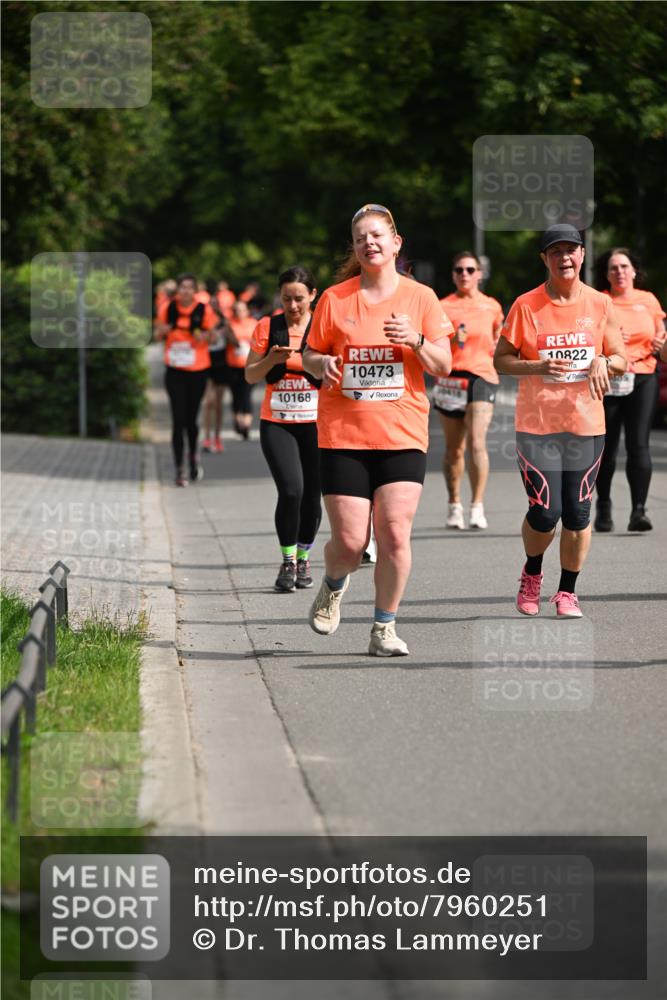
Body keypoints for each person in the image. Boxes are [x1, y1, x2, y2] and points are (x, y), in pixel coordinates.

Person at [302, 203, 453, 656]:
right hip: (343, 435)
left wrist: (417, 340)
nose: (370, 242)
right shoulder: (334, 298)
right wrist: (321, 363)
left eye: (377, 235)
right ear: (354, 246)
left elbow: (444, 366)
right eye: (361, 237)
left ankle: (383, 628)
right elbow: (309, 356)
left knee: (393, 533)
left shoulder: (421, 298)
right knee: (350, 544)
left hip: (402, 434)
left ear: (395, 243)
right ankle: (333, 582)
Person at [493, 223, 626, 618]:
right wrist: (537, 364)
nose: (564, 258)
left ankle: (567, 591)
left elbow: (620, 358)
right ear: (544, 259)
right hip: (537, 425)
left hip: (587, 423)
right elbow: (500, 360)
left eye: (571, 250)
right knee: (545, 512)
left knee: (578, 513)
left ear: (583, 255)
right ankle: (532, 573)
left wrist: (604, 361)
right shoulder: (526, 305)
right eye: (556, 252)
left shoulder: (600, 304)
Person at [245, 266, 322, 592]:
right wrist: (271, 361)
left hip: (317, 422)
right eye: (287, 298)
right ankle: (287, 560)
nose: (293, 306)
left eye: (299, 299)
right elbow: (250, 375)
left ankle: (304, 556)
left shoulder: (322, 325)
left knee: (312, 498)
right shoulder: (268, 326)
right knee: (291, 490)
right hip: (277, 421)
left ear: (313, 296)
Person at [593, 248, 666, 532]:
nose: (620, 272)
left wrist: (661, 345)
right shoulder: (600, 301)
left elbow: (661, 336)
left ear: (634, 271)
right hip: (610, 378)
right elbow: (590, 340)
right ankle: (604, 504)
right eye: (613, 268)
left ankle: (639, 510)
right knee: (607, 448)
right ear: (607, 274)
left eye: (624, 266)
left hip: (643, 376)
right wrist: (607, 340)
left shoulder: (648, 300)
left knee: (639, 444)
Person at [435, 251, 504, 530]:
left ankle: (477, 505)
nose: (465, 274)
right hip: (451, 378)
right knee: (454, 449)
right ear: (453, 275)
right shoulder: (442, 306)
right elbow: (434, 342)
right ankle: (454, 504)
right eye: (459, 270)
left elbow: (500, 340)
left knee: (477, 442)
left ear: (479, 273)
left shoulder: (492, 307)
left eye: (470, 269)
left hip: (482, 376)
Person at [154, 273, 220, 486]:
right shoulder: (168, 308)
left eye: (189, 288)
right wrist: (162, 332)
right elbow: (157, 334)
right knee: (178, 420)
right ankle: (179, 468)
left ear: (195, 290)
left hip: (197, 369)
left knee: (191, 420)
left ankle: (193, 456)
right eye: (182, 288)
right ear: (178, 290)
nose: (185, 292)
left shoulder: (204, 309)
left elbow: (214, 337)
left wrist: (206, 337)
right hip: (174, 370)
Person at [227, 301, 256, 439]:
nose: (240, 313)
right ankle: (237, 419)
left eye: (242, 310)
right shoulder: (230, 324)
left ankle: (246, 423)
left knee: (247, 394)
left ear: (247, 311)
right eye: (237, 310)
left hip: (250, 366)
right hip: (233, 366)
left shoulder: (254, 324)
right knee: (236, 395)